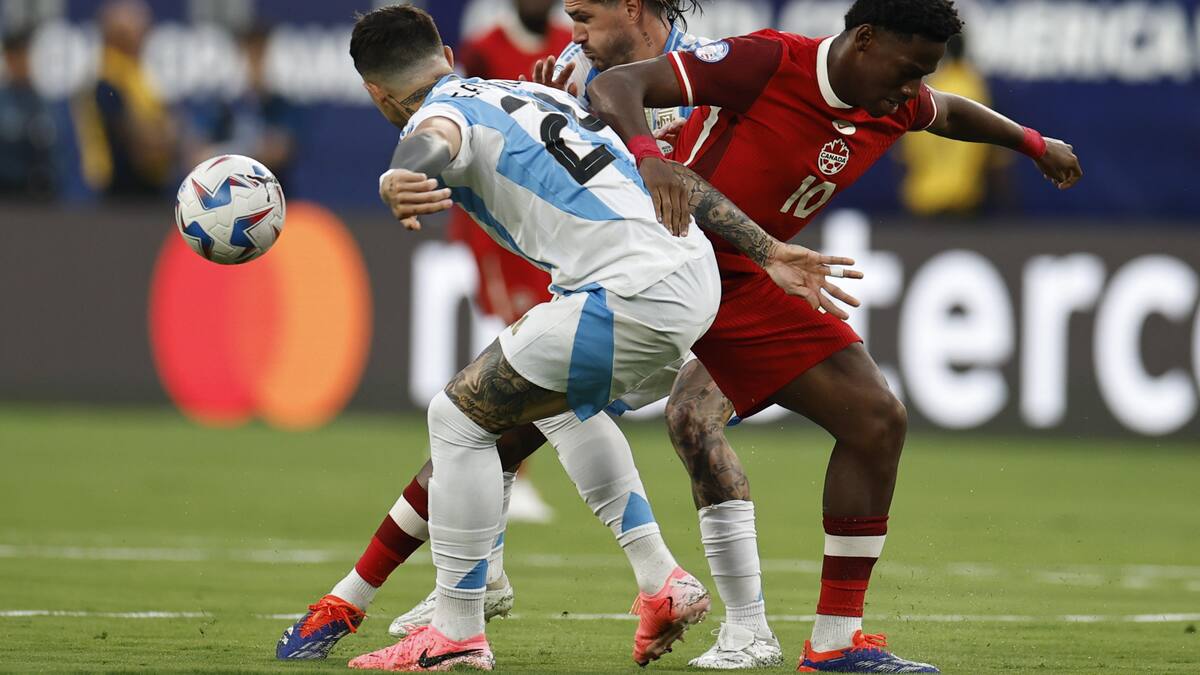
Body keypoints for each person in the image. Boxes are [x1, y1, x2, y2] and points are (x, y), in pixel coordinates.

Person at [276, 5, 860, 670]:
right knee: (552, 403)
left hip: (633, 289)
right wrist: (763, 246)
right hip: (691, 273)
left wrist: (398, 171)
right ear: (444, 48)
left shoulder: (445, 111)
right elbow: (659, 172)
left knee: (457, 416)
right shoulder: (530, 89)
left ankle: (458, 629)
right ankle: (658, 578)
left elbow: (431, 133)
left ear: (374, 93)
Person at [585, 0, 1082, 671]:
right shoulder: (769, 60)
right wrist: (651, 159)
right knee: (516, 418)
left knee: (875, 419)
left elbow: (954, 114)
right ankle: (450, 607)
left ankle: (833, 643)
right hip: (672, 262)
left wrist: (1033, 143)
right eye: (909, 71)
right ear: (866, 40)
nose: (914, 91)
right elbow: (616, 85)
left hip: (753, 279)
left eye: (923, 76)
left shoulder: (893, 99)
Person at [448, 0, 574, 525]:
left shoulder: (572, 45)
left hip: (554, 220)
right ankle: (510, 476)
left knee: (547, 341)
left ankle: (504, 470)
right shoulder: (485, 49)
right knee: (518, 338)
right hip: (500, 225)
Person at [71, 0, 176, 199]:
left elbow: (169, 120)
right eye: (138, 30)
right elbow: (137, 139)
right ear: (117, 37)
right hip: (121, 192)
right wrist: (164, 137)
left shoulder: (140, 76)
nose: (144, 36)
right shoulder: (106, 83)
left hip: (150, 185)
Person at [897, 33, 1001, 217]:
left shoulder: (925, 91)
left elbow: (906, 152)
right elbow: (989, 148)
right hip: (964, 199)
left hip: (924, 198)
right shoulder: (974, 89)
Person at [184, 25, 299, 187]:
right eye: (250, 54)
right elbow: (199, 156)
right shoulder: (223, 103)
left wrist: (226, 157)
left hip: (271, 197)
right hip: (226, 199)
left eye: (261, 55)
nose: (255, 64)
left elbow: (278, 152)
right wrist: (251, 152)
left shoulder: (280, 105)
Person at [0, 27, 58, 200]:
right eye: (21, 56)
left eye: (30, 55)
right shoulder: (3, 100)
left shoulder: (46, 101)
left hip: (40, 195)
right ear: (9, 58)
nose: (26, 62)